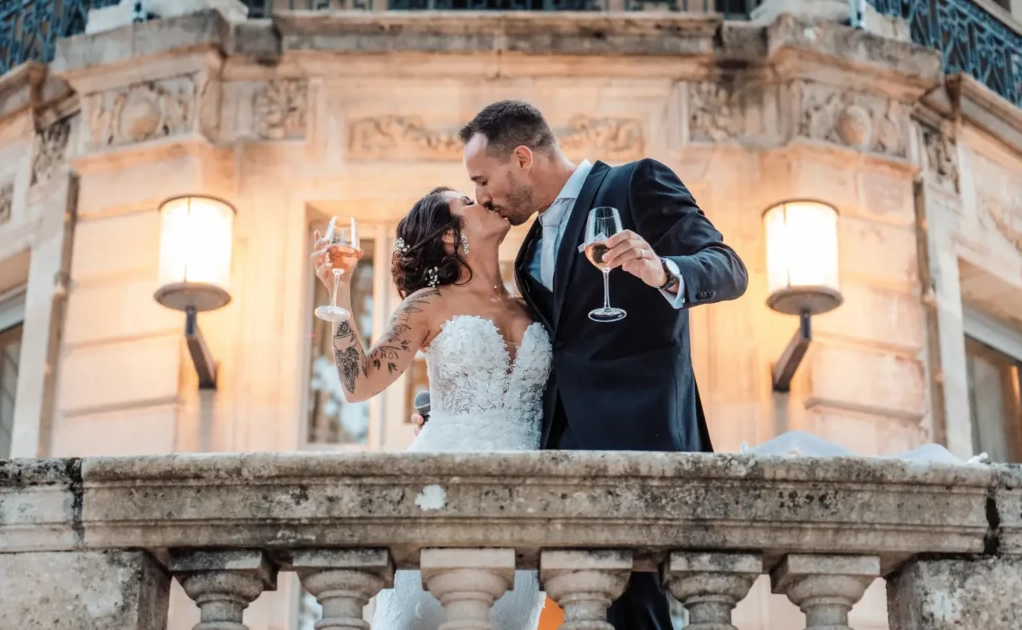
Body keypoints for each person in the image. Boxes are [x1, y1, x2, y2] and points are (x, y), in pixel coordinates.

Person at [412, 100, 748, 630]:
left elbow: (728, 267)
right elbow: (542, 349)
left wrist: (663, 270)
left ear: (522, 158)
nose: (480, 197)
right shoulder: (528, 251)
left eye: (481, 179)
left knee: (639, 608)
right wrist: (446, 401)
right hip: (561, 463)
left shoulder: (635, 184)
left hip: (642, 445)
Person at [310, 187, 550, 630]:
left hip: (526, 504)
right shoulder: (426, 304)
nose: (485, 199)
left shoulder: (535, 304)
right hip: (442, 493)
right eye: (468, 201)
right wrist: (338, 295)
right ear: (447, 236)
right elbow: (359, 383)